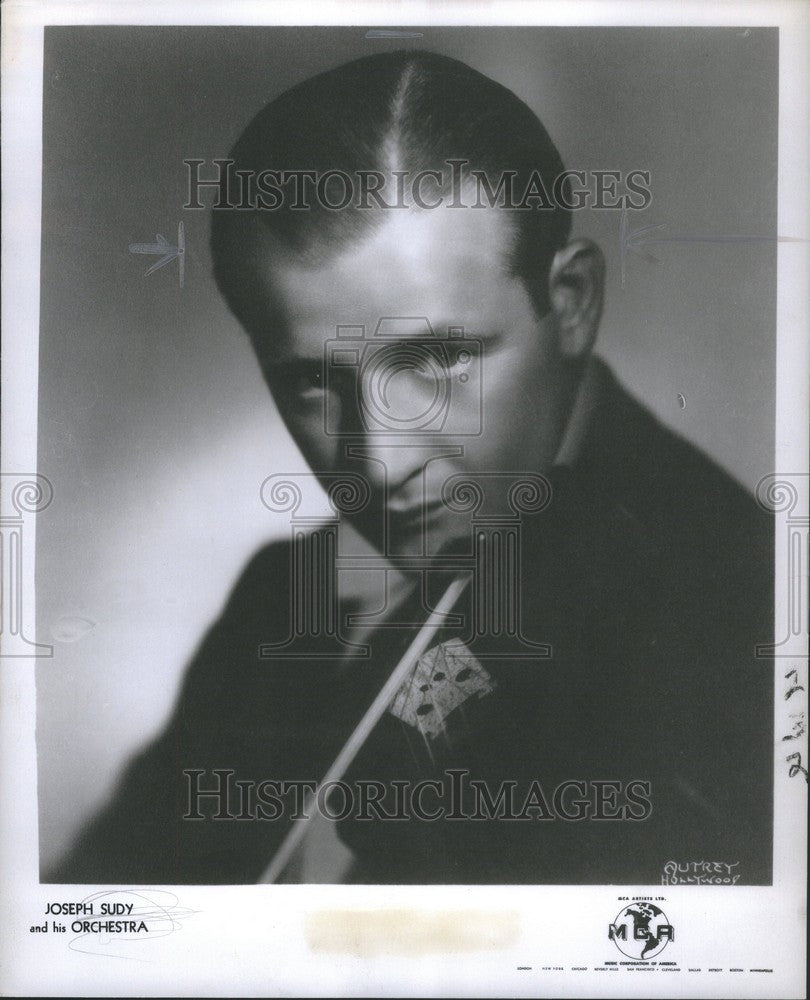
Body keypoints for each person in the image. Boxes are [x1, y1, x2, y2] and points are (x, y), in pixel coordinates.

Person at [48, 50, 773, 885]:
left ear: (571, 303)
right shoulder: (291, 590)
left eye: (436, 358)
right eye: (314, 382)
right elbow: (104, 905)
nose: (380, 466)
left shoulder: (742, 620)